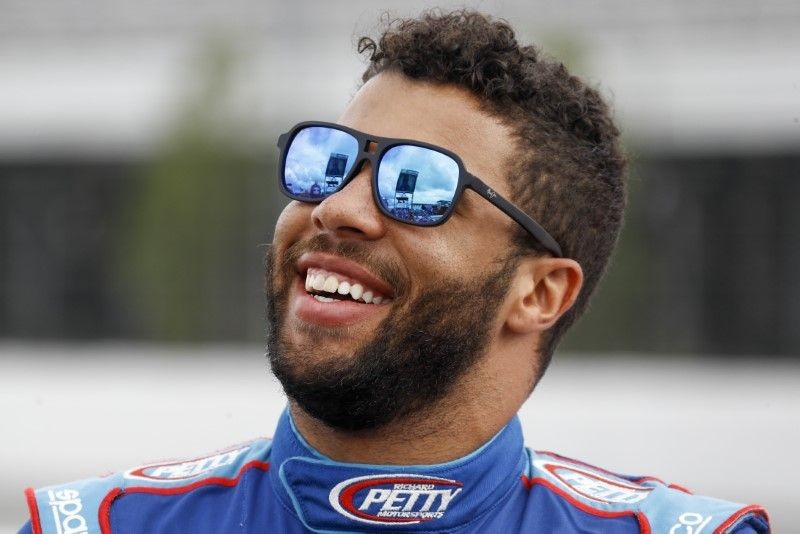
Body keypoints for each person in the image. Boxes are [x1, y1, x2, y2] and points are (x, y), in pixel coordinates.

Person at [21, 10, 769, 533]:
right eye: (329, 163)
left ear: (539, 292)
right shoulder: (97, 525)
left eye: (417, 185)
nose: (337, 208)